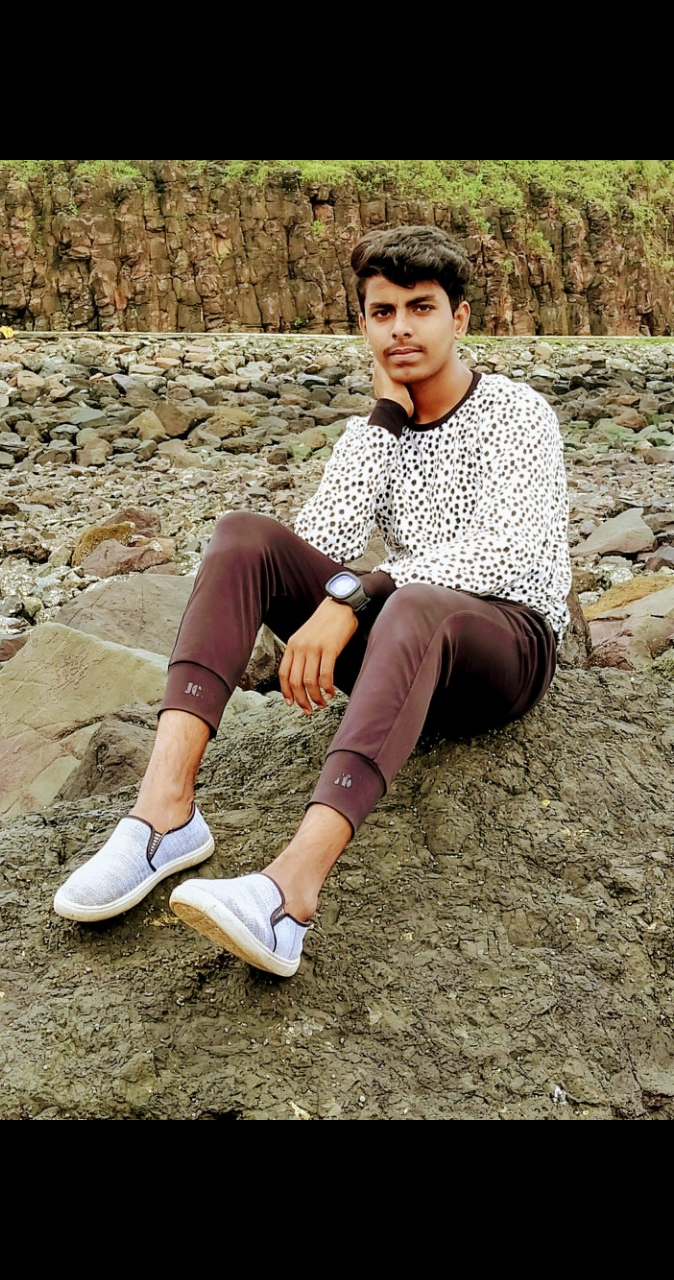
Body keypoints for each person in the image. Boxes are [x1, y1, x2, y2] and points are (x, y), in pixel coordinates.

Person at [54, 224, 572, 979]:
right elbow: (319, 540)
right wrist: (382, 422)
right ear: (363, 324)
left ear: (459, 318)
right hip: (401, 648)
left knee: (415, 602)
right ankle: (164, 814)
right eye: (382, 312)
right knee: (244, 537)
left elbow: (510, 549)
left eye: (421, 308)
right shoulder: (383, 429)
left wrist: (358, 594)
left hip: (502, 650)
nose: (400, 329)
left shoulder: (517, 413)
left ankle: (288, 898)